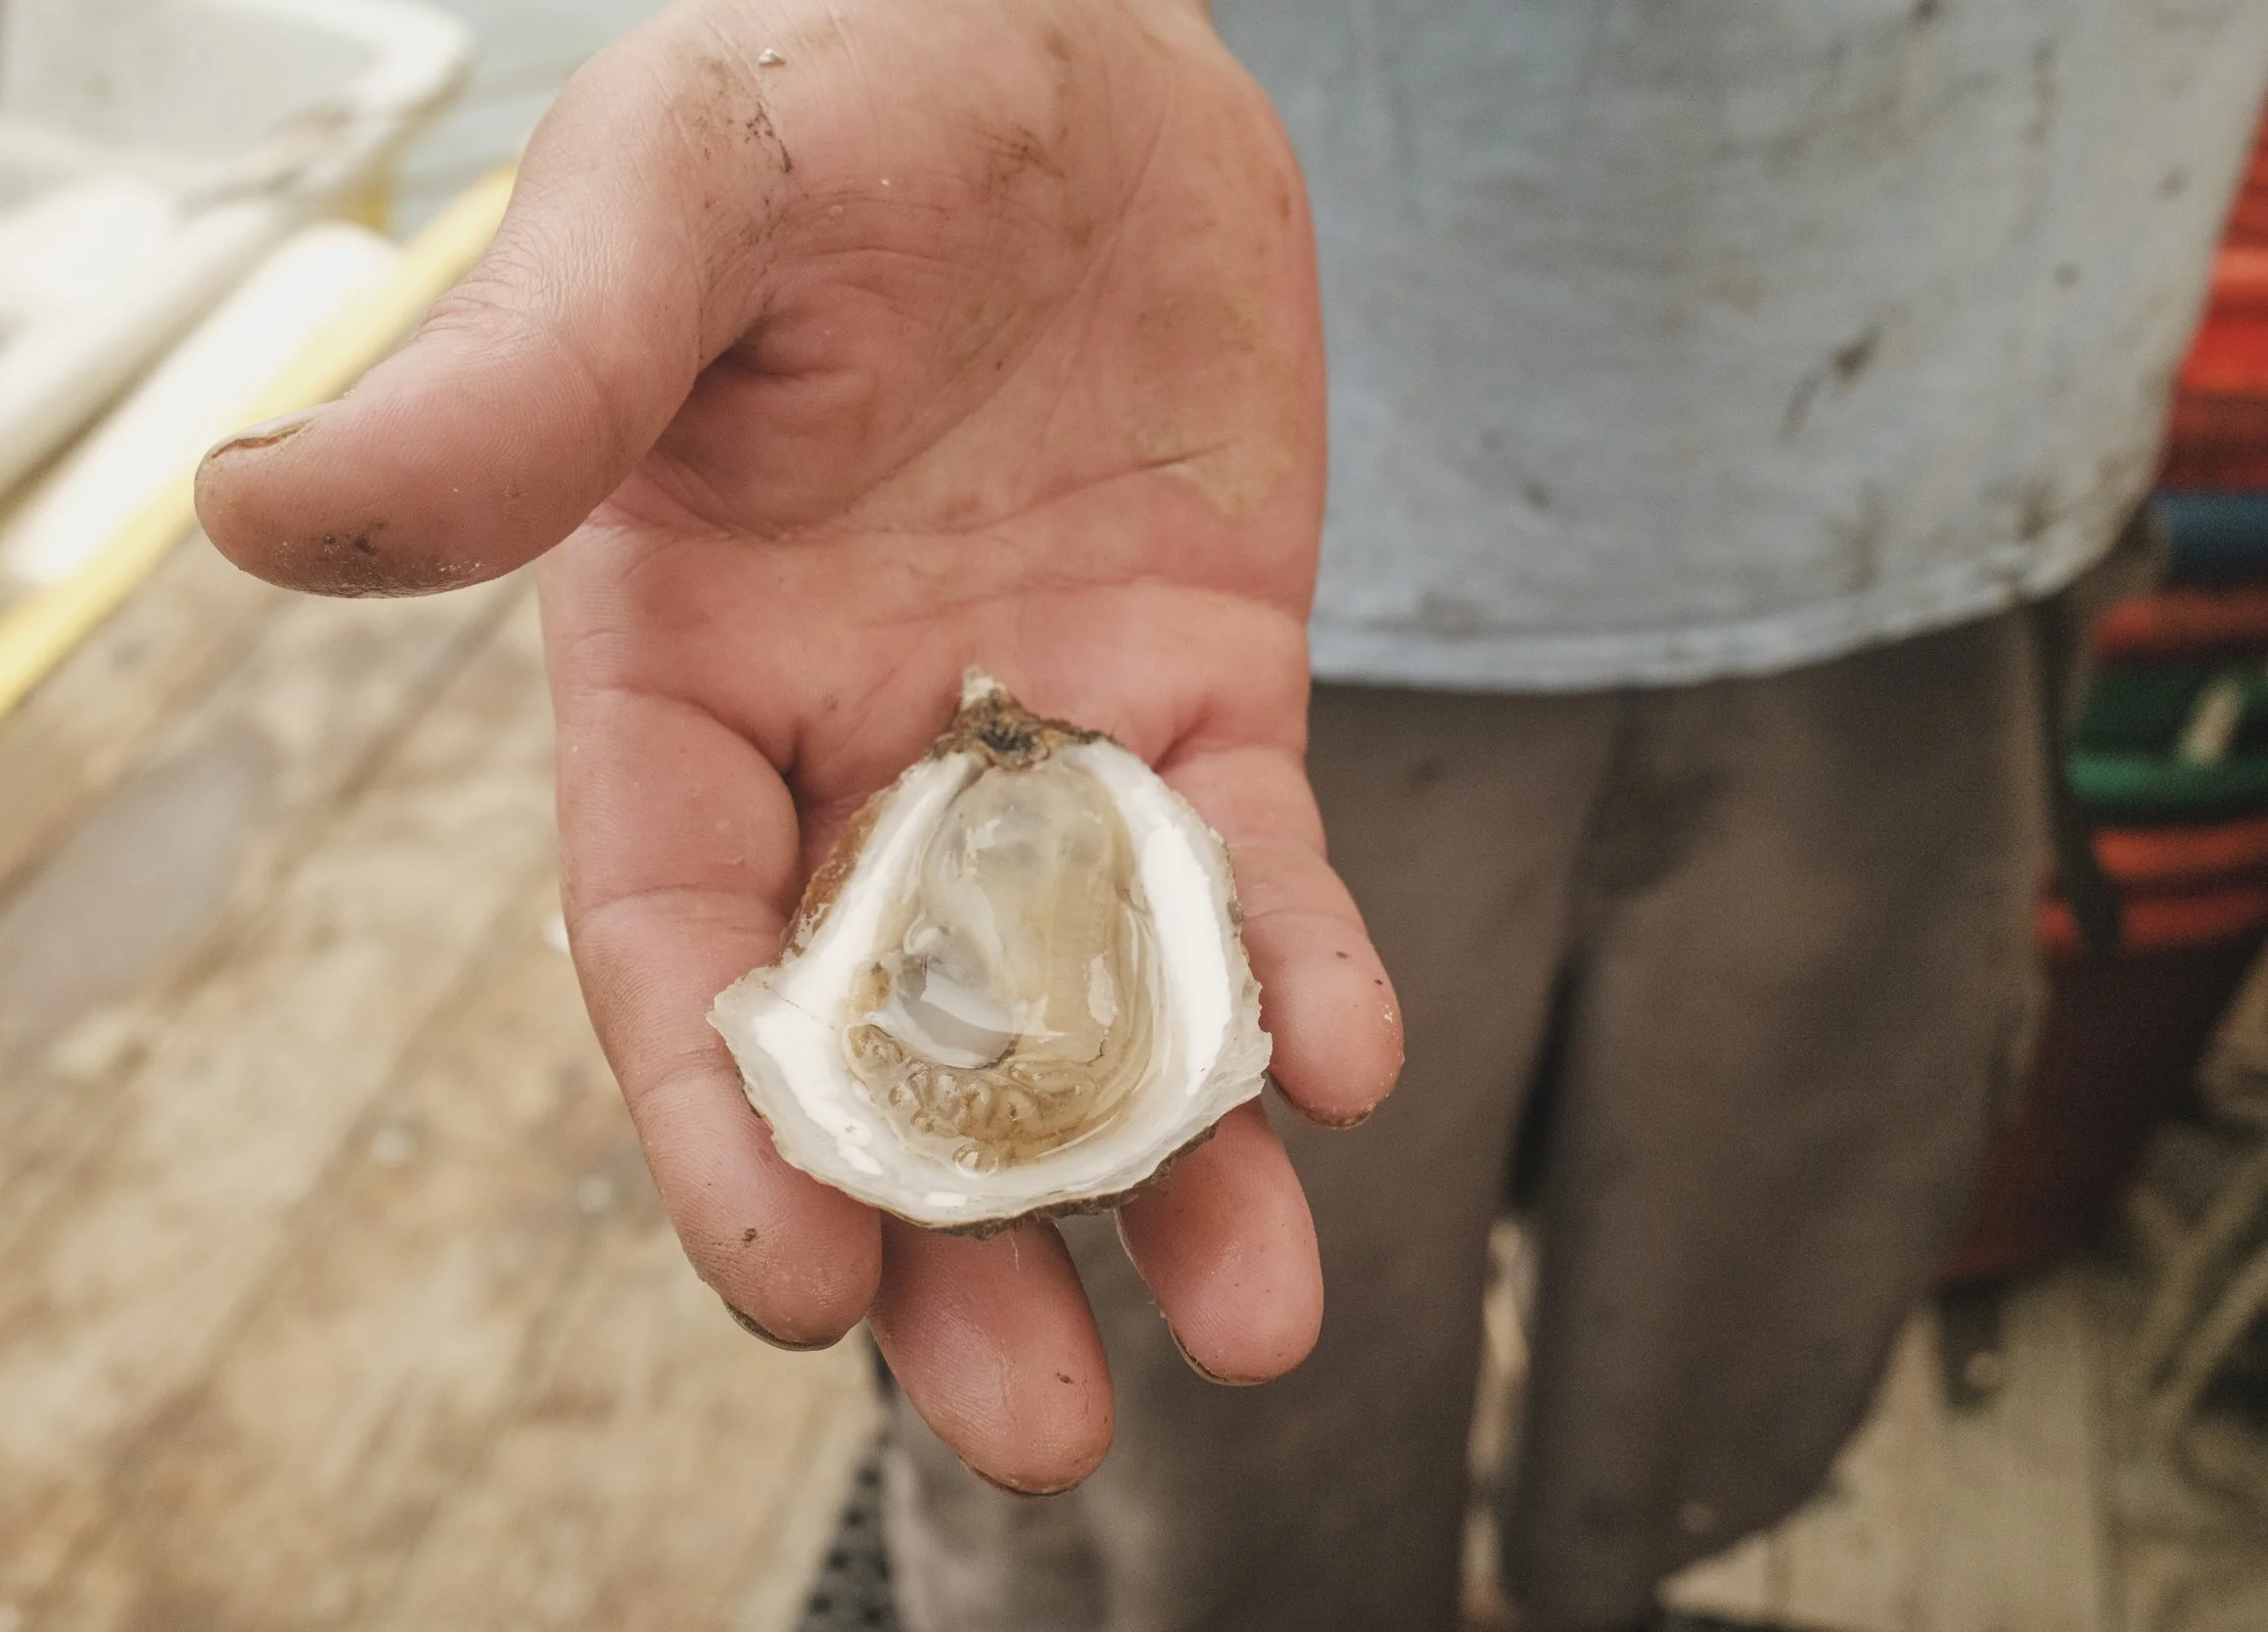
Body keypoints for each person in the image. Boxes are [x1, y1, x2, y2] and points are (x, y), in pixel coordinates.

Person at [192, 1, 2268, 1626]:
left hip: (1973, 429)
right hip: (1175, 470)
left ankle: (1592, 1586)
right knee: (1202, 1452)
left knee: (1734, 1310)